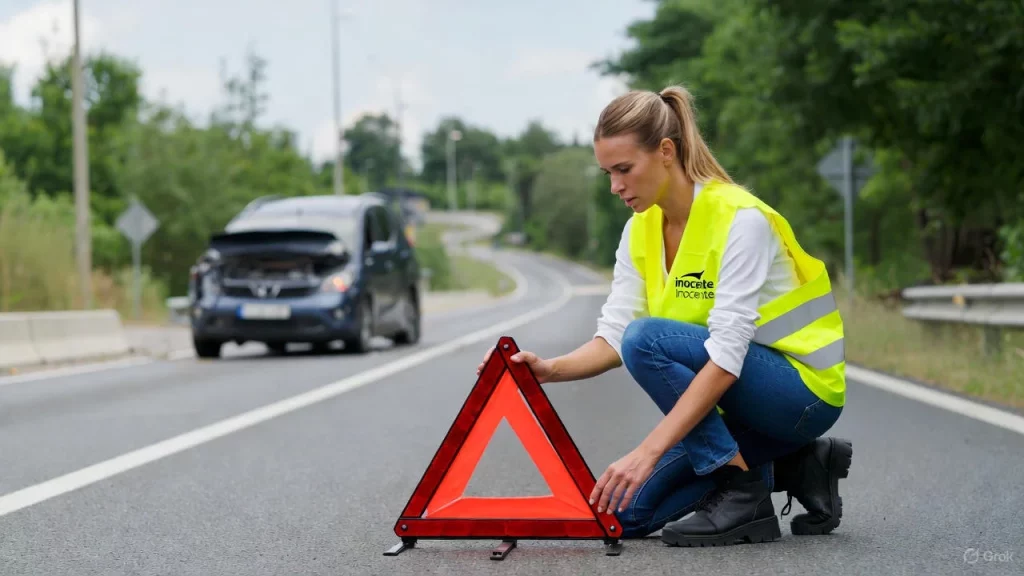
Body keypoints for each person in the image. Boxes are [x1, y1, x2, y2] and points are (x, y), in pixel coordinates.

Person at [476, 85, 852, 547]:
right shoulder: (639, 231)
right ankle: (800, 466)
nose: (615, 186)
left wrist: (647, 452)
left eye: (624, 169)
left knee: (646, 340)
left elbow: (723, 356)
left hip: (799, 396)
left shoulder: (741, 220)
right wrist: (549, 370)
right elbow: (613, 336)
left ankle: (742, 491)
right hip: (736, 405)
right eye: (608, 173)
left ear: (666, 152)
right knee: (622, 516)